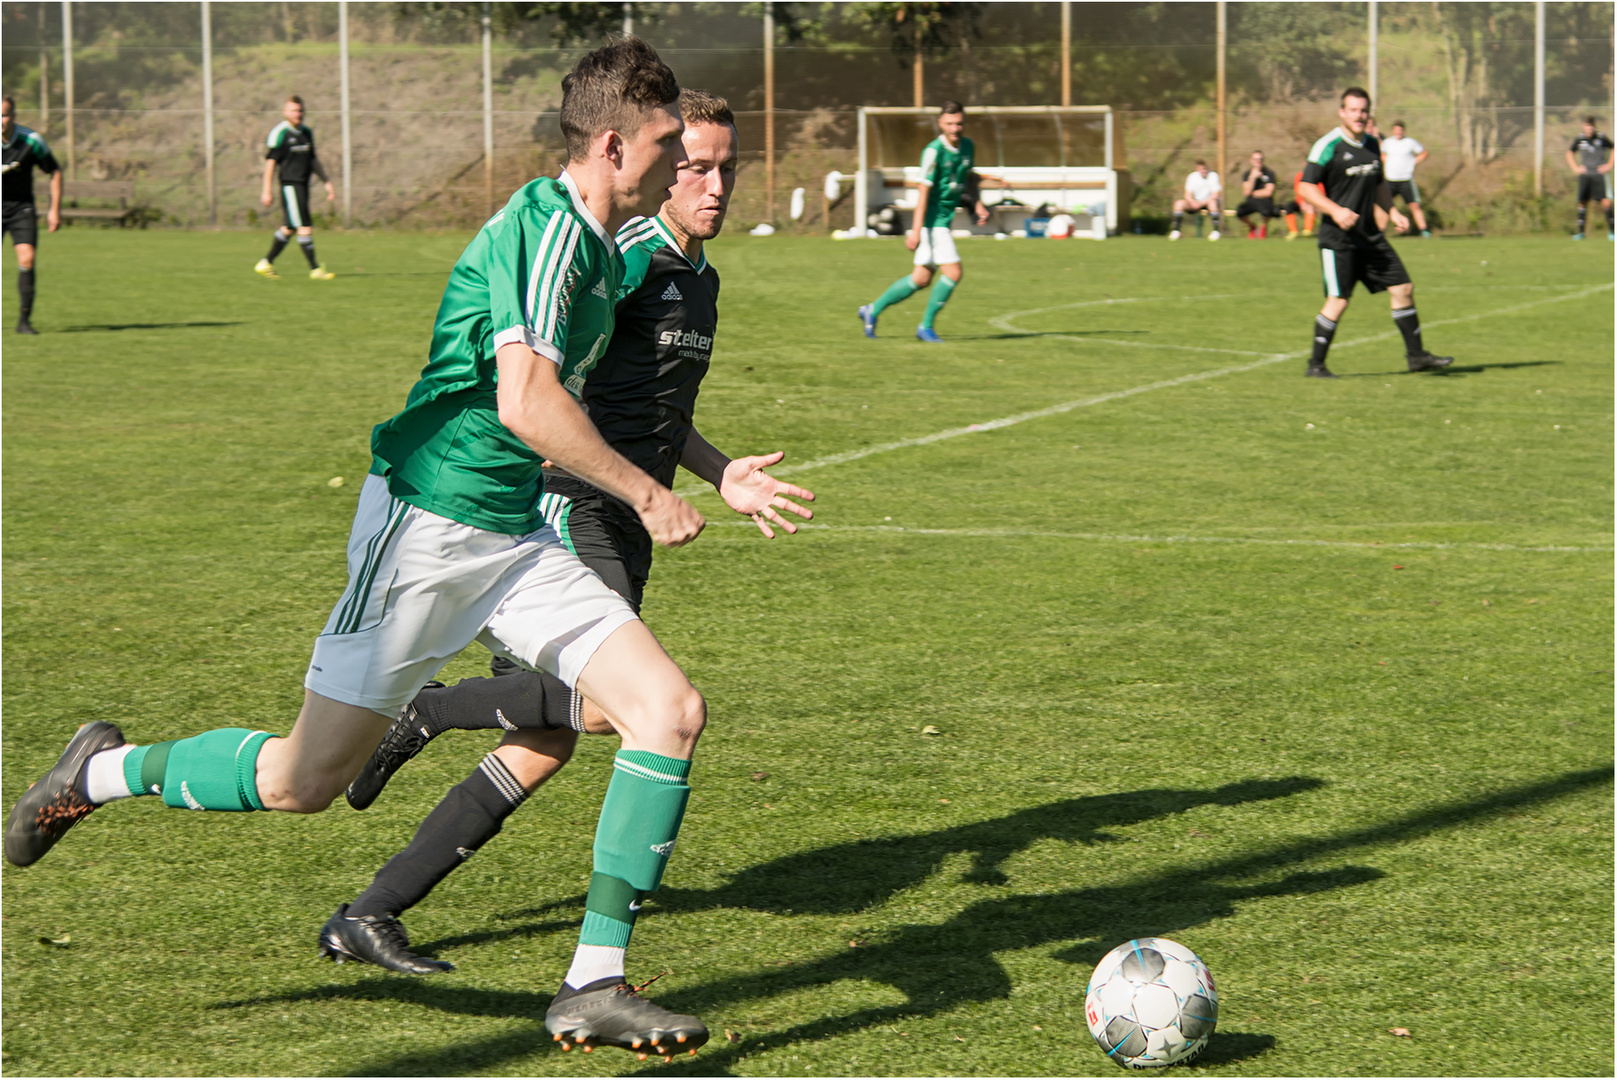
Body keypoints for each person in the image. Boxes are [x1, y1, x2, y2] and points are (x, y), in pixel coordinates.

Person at [6, 38, 729, 1061]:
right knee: (300, 781)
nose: (681, 163)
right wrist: (645, 492)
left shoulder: (608, 245)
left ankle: (591, 985)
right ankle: (103, 771)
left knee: (667, 710)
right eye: (669, 145)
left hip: (512, 532)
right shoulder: (556, 237)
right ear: (616, 143)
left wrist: (710, 464)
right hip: (429, 528)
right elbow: (527, 402)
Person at [318, 91, 814, 998]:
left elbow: (659, 407)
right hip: (574, 503)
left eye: (724, 166)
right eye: (692, 163)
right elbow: (550, 386)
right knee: (608, 709)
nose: (707, 183)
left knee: (548, 736)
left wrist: (717, 472)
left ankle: (370, 912)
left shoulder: (699, 275)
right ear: (655, 163)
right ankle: (434, 710)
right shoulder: (620, 255)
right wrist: (635, 484)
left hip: (631, 509)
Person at [1296, 87, 1453, 379]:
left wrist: (1392, 212)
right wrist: (1335, 211)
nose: (1359, 115)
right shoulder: (1327, 145)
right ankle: (1315, 365)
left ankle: (1416, 357)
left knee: (1403, 288)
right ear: (1342, 112)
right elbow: (1306, 187)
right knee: (1338, 301)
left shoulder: (1372, 143)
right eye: (1353, 110)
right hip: (1338, 240)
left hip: (1369, 237)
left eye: (1363, 110)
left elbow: (1379, 184)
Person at [857, 100, 989, 343]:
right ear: (940, 123)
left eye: (959, 123)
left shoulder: (968, 147)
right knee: (953, 272)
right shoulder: (933, 152)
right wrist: (915, 231)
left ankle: (871, 310)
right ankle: (925, 327)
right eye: (949, 123)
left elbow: (969, 177)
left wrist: (977, 202)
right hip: (932, 223)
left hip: (943, 221)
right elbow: (923, 193)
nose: (955, 128)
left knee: (921, 278)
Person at [255, 95, 336, 280]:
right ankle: (315, 269)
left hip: (303, 185)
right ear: (285, 112)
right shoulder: (281, 133)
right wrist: (266, 190)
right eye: (293, 110)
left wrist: (326, 181)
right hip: (290, 186)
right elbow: (270, 164)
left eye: (300, 110)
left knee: (289, 228)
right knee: (304, 226)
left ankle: (265, 263)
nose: (297, 114)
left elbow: (313, 160)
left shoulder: (306, 133)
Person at [2, 95, 62, 335]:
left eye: (4, 115)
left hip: (20, 208)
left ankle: (24, 321)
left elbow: (54, 171)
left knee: (27, 259)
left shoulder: (31, 141)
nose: (0, 121)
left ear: (14, 116)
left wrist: (54, 210)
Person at [1565, 116, 1614, 240]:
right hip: (1585, 175)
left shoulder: (1601, 138)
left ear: (1594, 126)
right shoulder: (1580, 139)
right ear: (1583, 127)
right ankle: (1581, 233)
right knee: (1582, 202)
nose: (1589, 128)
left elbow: (1614, 148)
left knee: (1606, 202)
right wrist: (1575, 168)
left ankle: (1612, 233)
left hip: (1599, 175)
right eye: (1587, 126)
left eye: (1591, 126)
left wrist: (1609, 165)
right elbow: (1569, 153)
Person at [1379, 121, 1430, 237]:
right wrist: (1388, 162)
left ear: (1403, 131)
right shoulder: (1387, 143)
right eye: (1396, 130)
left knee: (1415, 205)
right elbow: (1381, 155)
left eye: (1400, 130)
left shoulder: (1410, 142)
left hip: (1406, 179)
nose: (1398, 132)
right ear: (1393, 130)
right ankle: (1380, 231)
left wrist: (1413, 162)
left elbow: (1424, 153)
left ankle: (1424, 230)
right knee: (1384, 205)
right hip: (1390, 179)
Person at [1169, 160, 1222, 240]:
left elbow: (1215, 195)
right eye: (1202, 169)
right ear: (1197, 169)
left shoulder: (1213, 176)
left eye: (1205, 169)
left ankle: (1216, 231)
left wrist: (1201, 203)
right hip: (1196, 202)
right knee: (1179, 203)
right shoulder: (1192, 177)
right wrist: (1192, 202)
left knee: (1212, 203)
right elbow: (1187, 195)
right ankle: (1176, 231)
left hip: (1207, 202)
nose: (1204, 171)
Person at [1234, 150, 1278, 239]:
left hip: (1265, 201)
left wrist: (1252, 193)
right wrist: (1253, 177)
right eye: (1256, 159)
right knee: (1240, 212)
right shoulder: (1247, 174)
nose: (1258, 161)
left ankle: (1263, 228)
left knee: (1267, 211)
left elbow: (1268, 192)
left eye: (1260, 159)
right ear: (1251, 161)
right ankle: (1252, 227)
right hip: (1251, 202)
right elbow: (1246, 192)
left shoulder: (1269, 173)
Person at [1282, 170, 1317, 240]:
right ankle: (1293, 232)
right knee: (1288, 207)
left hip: (1314, 202)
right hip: (1300, 201)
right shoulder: (1300, 175)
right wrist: (1302, 201)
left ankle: (1307, 231)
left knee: (1310, 207)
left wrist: (1312, 202)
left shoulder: (1317, 176)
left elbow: (1320, 191)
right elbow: (1298, 190)